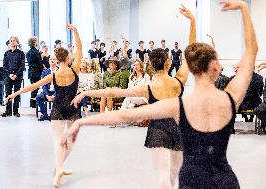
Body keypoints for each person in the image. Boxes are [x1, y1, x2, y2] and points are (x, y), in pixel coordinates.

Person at [63, 1, 257, 188]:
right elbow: (251, 52)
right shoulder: (228, 98)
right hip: (224, 181)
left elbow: (122, 111)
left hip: (189, 177)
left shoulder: (174, 105)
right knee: (171, 173)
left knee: (164, 176)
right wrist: (241, 9)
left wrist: (81, 118)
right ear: (216, 66)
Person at [70, 5, 196, 188]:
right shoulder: (179, 80)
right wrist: (192, 21)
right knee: (172, 176)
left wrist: (86, 92)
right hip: (179, 129)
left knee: (162, 176)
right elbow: (190, 49)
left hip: (158, 131)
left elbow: (113, 92)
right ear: (169, 63)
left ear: (151, 65)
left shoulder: (148, 88)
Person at [6, 24, 83, 188]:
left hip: (57, 108)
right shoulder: (75, 70)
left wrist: (14, 94)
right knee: (70, 141)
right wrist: (75, 31)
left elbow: (32, 87)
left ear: (57, 58)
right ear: (68, 58)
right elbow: (80, 47)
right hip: (72, 109)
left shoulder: (53, 75)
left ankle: (59, 167)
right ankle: (59, 167)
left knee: (57, 140)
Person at [1, 36, 25, 117]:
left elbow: (22, 66)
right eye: (11, 41)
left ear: (17, 42)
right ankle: (8, 111)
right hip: (8, 76)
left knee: (17, 94)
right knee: (8, 94)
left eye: (14, 41)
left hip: (17, 77)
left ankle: (16, 111)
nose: (12, 42)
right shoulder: (6, 53)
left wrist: (16, 75)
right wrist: (10, 74)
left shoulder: (21, 53)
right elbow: (4, 66)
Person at [36, 54, 58, 121]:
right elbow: (43, 85)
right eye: (50, 59)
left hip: (57, 92)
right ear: (48, 61)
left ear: (57, 61)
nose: (52, 60)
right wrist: (47, 95)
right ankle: (45, 115)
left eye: (54, 59)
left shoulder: (60, 71)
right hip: (47, 92)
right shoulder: (45, 72)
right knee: (38, 97)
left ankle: (53, 115)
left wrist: (54, 95)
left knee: (60, 98)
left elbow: (61, 86)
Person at [26, 36, 44, 108]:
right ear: (34, 43)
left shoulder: (28, 52)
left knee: (33, 88)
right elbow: (39, 64)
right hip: (36, 73)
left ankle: (32, 104)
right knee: (35, 89)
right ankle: (33, 105)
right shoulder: (36, 52)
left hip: (31, 72)